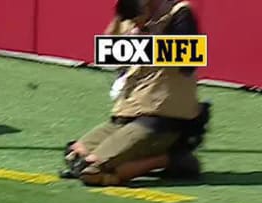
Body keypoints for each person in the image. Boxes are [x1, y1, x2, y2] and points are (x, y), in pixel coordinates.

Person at [62, 0, 209, 185]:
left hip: (161, 118)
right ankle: (144, 158)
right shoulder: (131, 15)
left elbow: (189, 62)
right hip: (126, 113)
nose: (134, 24)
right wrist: (122, 18)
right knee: (73, 156)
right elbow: (107, 53)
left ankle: (170, 158)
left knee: (93, 171)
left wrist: (141, 42)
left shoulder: (180, 13)